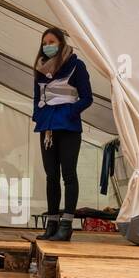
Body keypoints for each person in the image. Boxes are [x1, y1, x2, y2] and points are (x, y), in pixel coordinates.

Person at [32, 27, 93, 242]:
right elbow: (36, 97)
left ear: (61, 43)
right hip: (47, 127)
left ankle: (66, 224)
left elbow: (87, 97)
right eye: (44, 42)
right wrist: (38, 116)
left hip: (68, 127)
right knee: (51, 175)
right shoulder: (40, 68)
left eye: (51, 41)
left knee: (68, 174)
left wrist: (69, 112)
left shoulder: (76, 65)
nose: (47, 46)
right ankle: (52, 222)